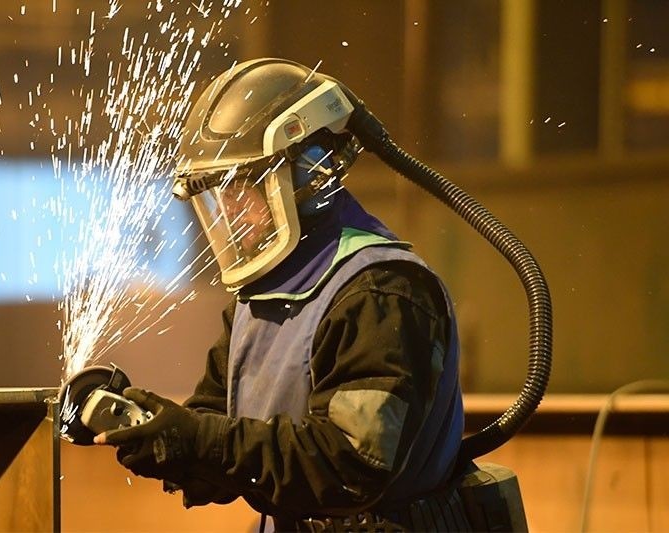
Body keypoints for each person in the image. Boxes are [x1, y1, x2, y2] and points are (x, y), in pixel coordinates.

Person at [94, 58, 468, 532]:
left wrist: (199, 443)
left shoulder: (381, 291)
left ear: (307, 176)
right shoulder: (259, 298)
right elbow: (218, 428)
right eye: (216, 194)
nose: (229, 212)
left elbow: (349, 466)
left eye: (242, 187)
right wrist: (146, 426)